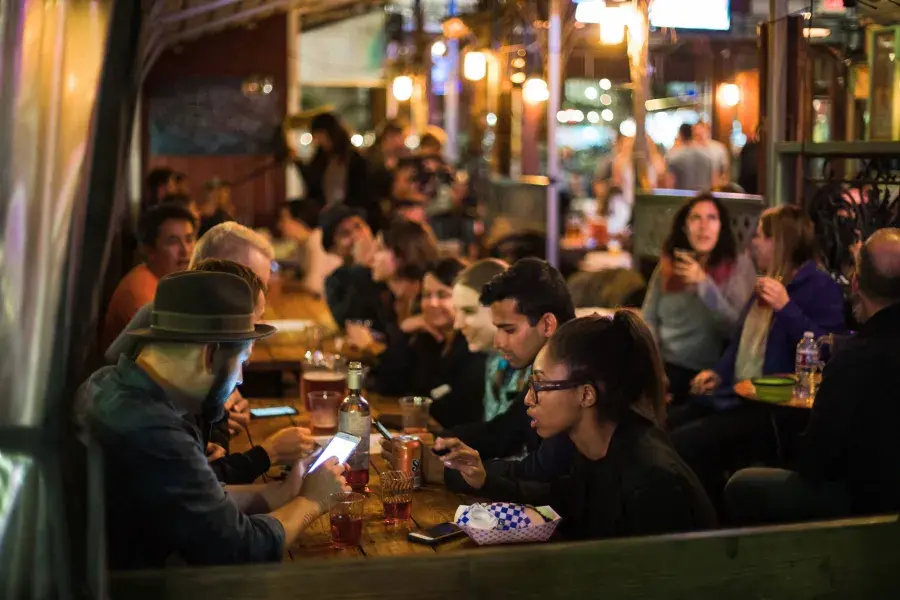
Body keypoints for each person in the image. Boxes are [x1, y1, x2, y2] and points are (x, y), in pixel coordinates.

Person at [80, 271, 350, 568]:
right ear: (210, 355)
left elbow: (200, 504)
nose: (239, 379)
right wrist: (312, 501)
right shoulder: (153, 432)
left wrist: (284, 492)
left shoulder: (106, 384)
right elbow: (240, 549)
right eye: (241, 361)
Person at [438, 312, 717, 539]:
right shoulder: (594, 445)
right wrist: (483, 478)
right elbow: (559, 500)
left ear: (586, 395)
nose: (528, 399)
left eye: (540, 385)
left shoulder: (650, 477)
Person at [104, 223, 310, 486]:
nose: (260, 296)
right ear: (218, 273)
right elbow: (181, 479)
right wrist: (264, 455)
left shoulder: (206, 330)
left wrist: (215, 430)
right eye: (248, 282)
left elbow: (208, 431)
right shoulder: (169, 329)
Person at [672, 205, 845, 508]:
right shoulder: (768, 278)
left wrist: (786, 307)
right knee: (666, 428)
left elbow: (828, 349)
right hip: (736, 394)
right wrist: (720, 372)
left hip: (773, 409)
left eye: (761, 236)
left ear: (781, 242)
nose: (753, 242)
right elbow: (742, 338)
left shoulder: (820, 287)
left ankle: (705, 522)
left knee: (685, 444)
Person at [725, 228, 900, 524]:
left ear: (856, 283)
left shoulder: (852, 358)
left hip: (863, 505)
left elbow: (816, 462)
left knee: (742, 485)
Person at [442, 258, 577, 467]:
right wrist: (436, 442)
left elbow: (543, 476)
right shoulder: (543, 374)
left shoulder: (569, 380)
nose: (498, 342)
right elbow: (502, 432)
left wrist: (467, 472)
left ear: (548, 324)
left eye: (509, 330)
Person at [642, 194, 755, 405]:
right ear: (685, 227)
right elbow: (649, 317)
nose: (704, 226)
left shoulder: (737, 266)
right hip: (664, 365)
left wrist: (704, 284)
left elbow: (735, 329)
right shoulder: (669, 265)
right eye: (696, 218)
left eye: (711, 218)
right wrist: (655, 368)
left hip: (708, 372)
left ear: (721, 226)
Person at [345, 219, 440, 393]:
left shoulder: (429, 302)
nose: (370, 257)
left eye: (380, 249)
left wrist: (371, 347)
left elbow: (400, 382)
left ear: (402, 256)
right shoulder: (391, 299)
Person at [101, 204, 196, 352]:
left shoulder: (172, 281)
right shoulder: (140, 293)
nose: (185, 250)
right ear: (149, 250)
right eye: (173, 241)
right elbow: (169, 353)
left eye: (189, 240)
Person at [407, 258, 487, 429]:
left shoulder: (474, 346)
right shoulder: (429, 339)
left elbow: (457, 415)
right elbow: (394, 384)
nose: (432, 303)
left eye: (442, 295)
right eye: (427, 295)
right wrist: (405, 329)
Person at [452, 259, 531, 424]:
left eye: (468, 311)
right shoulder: (494, 359)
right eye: (456, 312)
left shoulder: (537, 367)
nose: (457, 324)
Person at [292, 112, 379, 230]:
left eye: (320, 135)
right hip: (326, 214)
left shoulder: (353, 159)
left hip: (350, 214)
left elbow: (362, 190)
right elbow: (313, 183)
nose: (318, 140)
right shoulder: (321, 159)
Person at [665, 123, 715, 191]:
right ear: (692, 134)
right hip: (702, 198)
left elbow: (670, 185)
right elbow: (713, 182)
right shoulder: (707, 157)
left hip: (682, 199)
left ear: (681, 135)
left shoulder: (674, 158)